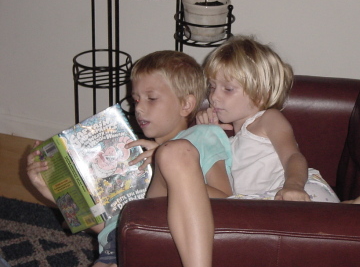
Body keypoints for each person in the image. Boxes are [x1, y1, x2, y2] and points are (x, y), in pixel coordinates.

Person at [27, 50, 233, 267]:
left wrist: (167, 166)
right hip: (119, 245)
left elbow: (226, 200)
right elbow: (113, 225)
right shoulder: (132, 153)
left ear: (186, 105)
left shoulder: (201, 136)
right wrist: (52, 194)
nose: (139, 108)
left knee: (175, 152)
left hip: (174, 238)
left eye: (151, 98)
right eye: (135, 100)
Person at [196, 35, 360, 205]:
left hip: (297, 191)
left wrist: (294, 186)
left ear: (259, 94)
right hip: (261, 202)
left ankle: (357, 207)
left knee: (308, 220)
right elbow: (225, 186)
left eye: (228, 89)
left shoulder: (268, 119)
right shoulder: (231, 141)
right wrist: (210, 135)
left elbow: (292, 157)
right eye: (212, 87)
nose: (214, 97)